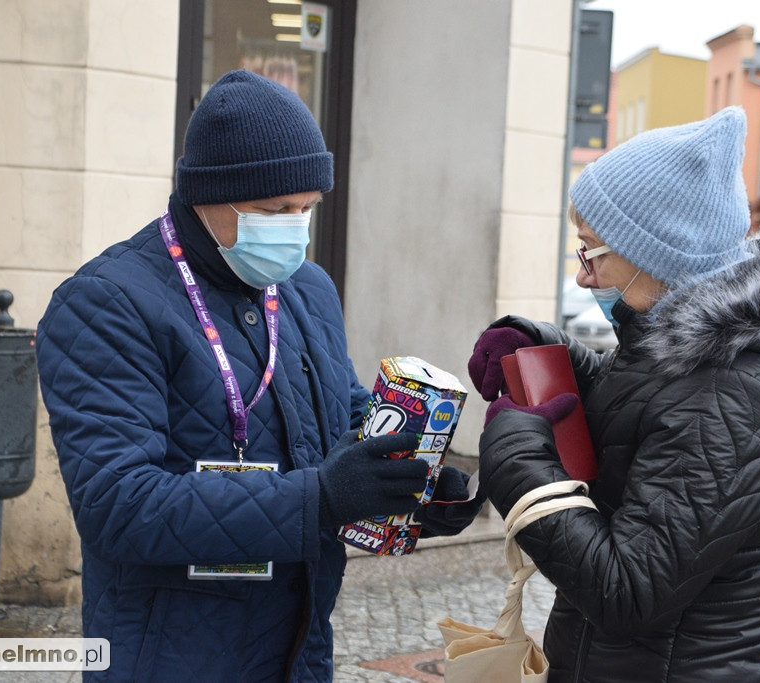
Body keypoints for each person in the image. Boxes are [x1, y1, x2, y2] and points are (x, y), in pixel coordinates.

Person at [35, 69, 484, 682]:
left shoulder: (307, 287)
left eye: (307, 209)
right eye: (275, 210)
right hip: (170, 655)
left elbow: (344, 417)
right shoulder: (106, 303)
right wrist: (320, 498)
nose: (294, 227)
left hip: (299, 647)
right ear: (208, 196)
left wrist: (413, 486)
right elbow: (119, 505)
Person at [467, 106, 760, 682]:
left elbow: (625, 592)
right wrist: (551, 356)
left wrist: (516, 461)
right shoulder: (696, 354)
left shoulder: (736, 398)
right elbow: (646, 405)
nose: (584, 275)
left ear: (657, 256)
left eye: (592, 251)